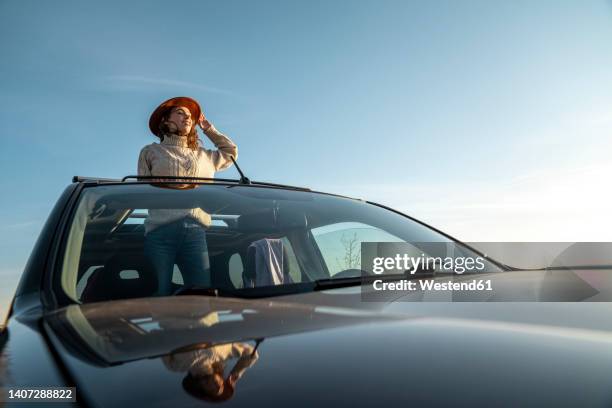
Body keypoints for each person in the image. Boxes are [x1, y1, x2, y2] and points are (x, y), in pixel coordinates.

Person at [137, 96, 238, 295]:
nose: (188, 118)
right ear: (165, 120)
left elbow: (230, 151)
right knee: (161, 293)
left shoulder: (205, 156)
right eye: (180, 113)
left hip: (196, 234)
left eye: (190, 116)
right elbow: (143, 192)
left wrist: (209, 129)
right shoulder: (150, 152)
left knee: (202, 295)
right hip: (159, 233)